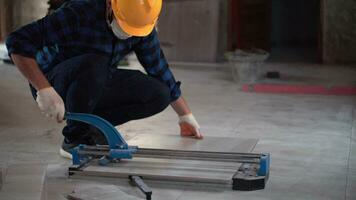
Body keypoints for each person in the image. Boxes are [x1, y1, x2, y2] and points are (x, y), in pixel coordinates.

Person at [6, 0, 203, 159]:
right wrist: (43, 88)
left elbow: (159, 70)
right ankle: (75, 139)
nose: (127, 33)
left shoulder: (141, 26)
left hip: (95, 81)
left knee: (159, 93)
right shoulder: (80, 13)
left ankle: (93, 130)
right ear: (110, 4)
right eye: (124, 24)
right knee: (94, 63)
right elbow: (17, 41)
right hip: (54, 83)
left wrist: (185, 116)